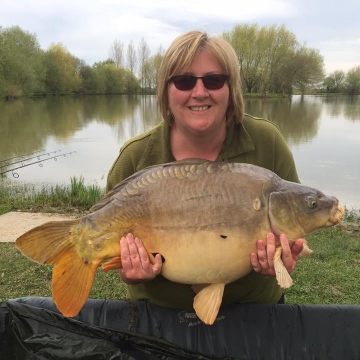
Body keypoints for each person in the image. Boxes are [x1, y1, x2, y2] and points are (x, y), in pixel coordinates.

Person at [106, 30, 304, 309]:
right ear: (165, 90)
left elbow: (293, 224)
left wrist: (285, 255)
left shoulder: (267, 142)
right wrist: (130, 271)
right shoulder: (135, 157)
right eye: (184, 81)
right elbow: (115, 248)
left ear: (231, 88)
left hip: (255, 311)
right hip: (158, 313)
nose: (199, 93)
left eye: (214, 80)